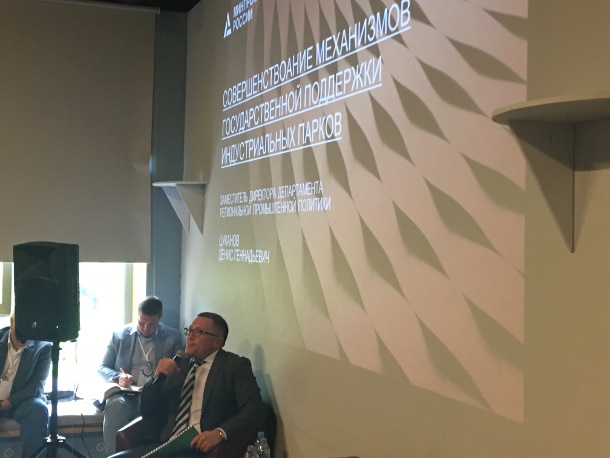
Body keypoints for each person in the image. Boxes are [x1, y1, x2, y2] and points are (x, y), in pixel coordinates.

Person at [109, 312, 268, 458]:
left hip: (202, 448)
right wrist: (156, 378)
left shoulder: (234, 366)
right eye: (189, 330)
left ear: (217, 342)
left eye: (198, 332)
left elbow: (254, 408)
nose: (190, 336)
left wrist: (220, 433)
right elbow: (146, 410)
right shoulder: (179, 365)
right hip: (167, 444)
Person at [98, 296, 183, 456]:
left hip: (155, 397)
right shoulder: (119, 335)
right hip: (127, 395)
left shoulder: (173, 337)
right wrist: (118, 377)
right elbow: (102, 368)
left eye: (151, 324)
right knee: (115, 406)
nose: (145, 327)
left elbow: (179, 372)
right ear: (137, 315)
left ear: (160, 318)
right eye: (141, 322)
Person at [0, 315, 52, 458]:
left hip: (20, 402)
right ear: (11, 322)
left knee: (38, 409)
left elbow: (36, 387)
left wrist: (5, 404)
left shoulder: (44, 347)